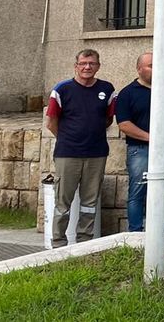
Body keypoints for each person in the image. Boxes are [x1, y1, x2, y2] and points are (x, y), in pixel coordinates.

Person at [46, 50, 116, 248]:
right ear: (75, 66)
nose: (87, 67)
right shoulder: (62, 89)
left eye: (92, 63)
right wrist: (69, 138)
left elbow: (109, 118)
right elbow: (51, 122)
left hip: (96, 153)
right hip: (68, 154)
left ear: (98, 66)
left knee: (89, 202)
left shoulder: (107, 89)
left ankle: (84, 243)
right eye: (83, 63)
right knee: (62, 202)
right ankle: (58, 243)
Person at [116, 52, 164, 233]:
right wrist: (152, 139)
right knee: (137, 192)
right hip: (139, 150)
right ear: (139, 69)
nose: (157, 69)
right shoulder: (127, 93)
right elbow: (124, 124)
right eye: (151, 65)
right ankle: (136, 233)